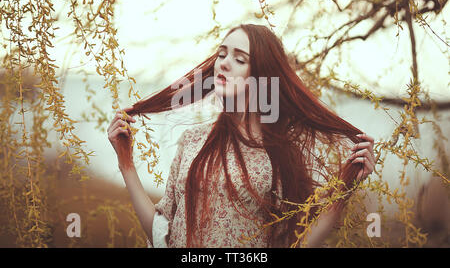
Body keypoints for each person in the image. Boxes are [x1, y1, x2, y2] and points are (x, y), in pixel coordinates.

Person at [107, 24, 377, 248]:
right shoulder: (193, 141)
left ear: (260, 75)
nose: (224, 64)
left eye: (239, 58)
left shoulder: (281, 155)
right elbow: (160, 233)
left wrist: (345, 189)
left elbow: (300, 243)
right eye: (222, 54)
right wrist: (126, 164)